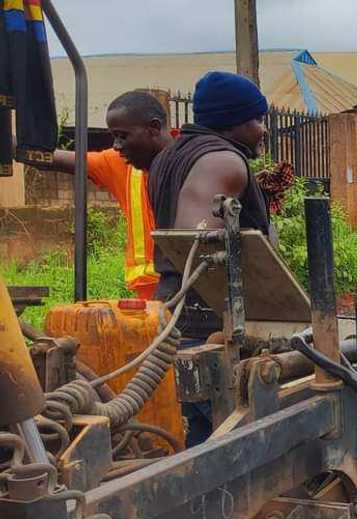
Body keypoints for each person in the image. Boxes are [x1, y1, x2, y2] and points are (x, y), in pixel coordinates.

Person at [148, 71, 271, 445]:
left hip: (171, 317)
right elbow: (195, 245)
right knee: (245, 445)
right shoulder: (224, 162)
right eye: (257, 119)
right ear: (233, 120)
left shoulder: (168, 156)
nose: (263, 130)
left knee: (196, 444)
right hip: (210, 330)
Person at [33, 90, 173, 299]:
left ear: (153, 128)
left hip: (193, 291)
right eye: (114, 137)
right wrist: (13, 143)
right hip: (149, 296)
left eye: (123, 136)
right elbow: (55, 158)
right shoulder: (121, 164)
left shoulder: (196, 162)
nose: (116, 145)